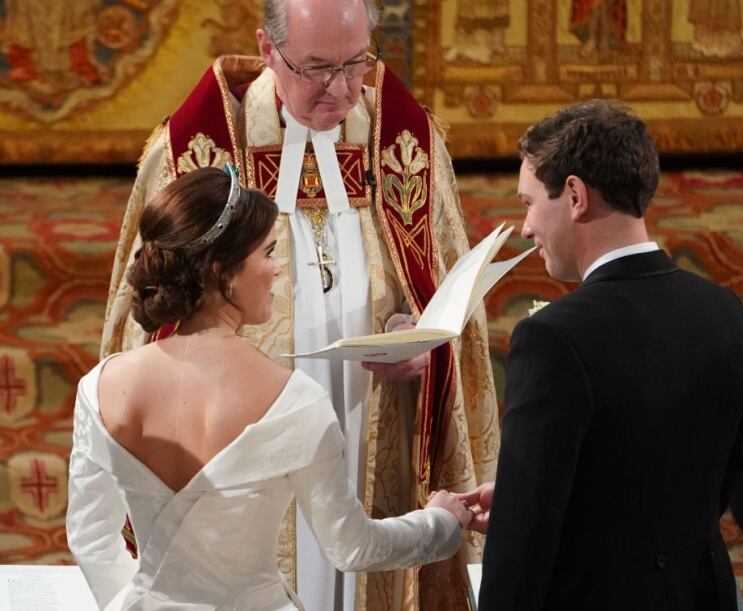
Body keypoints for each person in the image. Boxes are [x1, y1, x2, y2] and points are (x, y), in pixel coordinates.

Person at [100, 1, 499, 609]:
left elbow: (441, 284)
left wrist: (414, 332)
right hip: (241, 434)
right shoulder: (195, 154)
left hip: (375, 414)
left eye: (355, 64)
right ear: (267, 49)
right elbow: (145, 317)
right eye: (315, 68)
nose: (339, 89)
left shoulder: (406, 146)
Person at [67, 166, 473, 611]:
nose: (278, 269)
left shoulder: (100, 387)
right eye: (269, 252)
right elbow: (351, 546)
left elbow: (91, 537)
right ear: (224, 272)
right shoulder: (294, 400)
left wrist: (140, 602)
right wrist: (441, 523)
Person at [457, 99, 743, 610]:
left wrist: (521, 510)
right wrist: (517, 501)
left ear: (575, 195)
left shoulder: (553, 339)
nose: (527, 226)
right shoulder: (726, 311)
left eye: (530, 202)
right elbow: (714, 481)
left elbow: (522, 552)